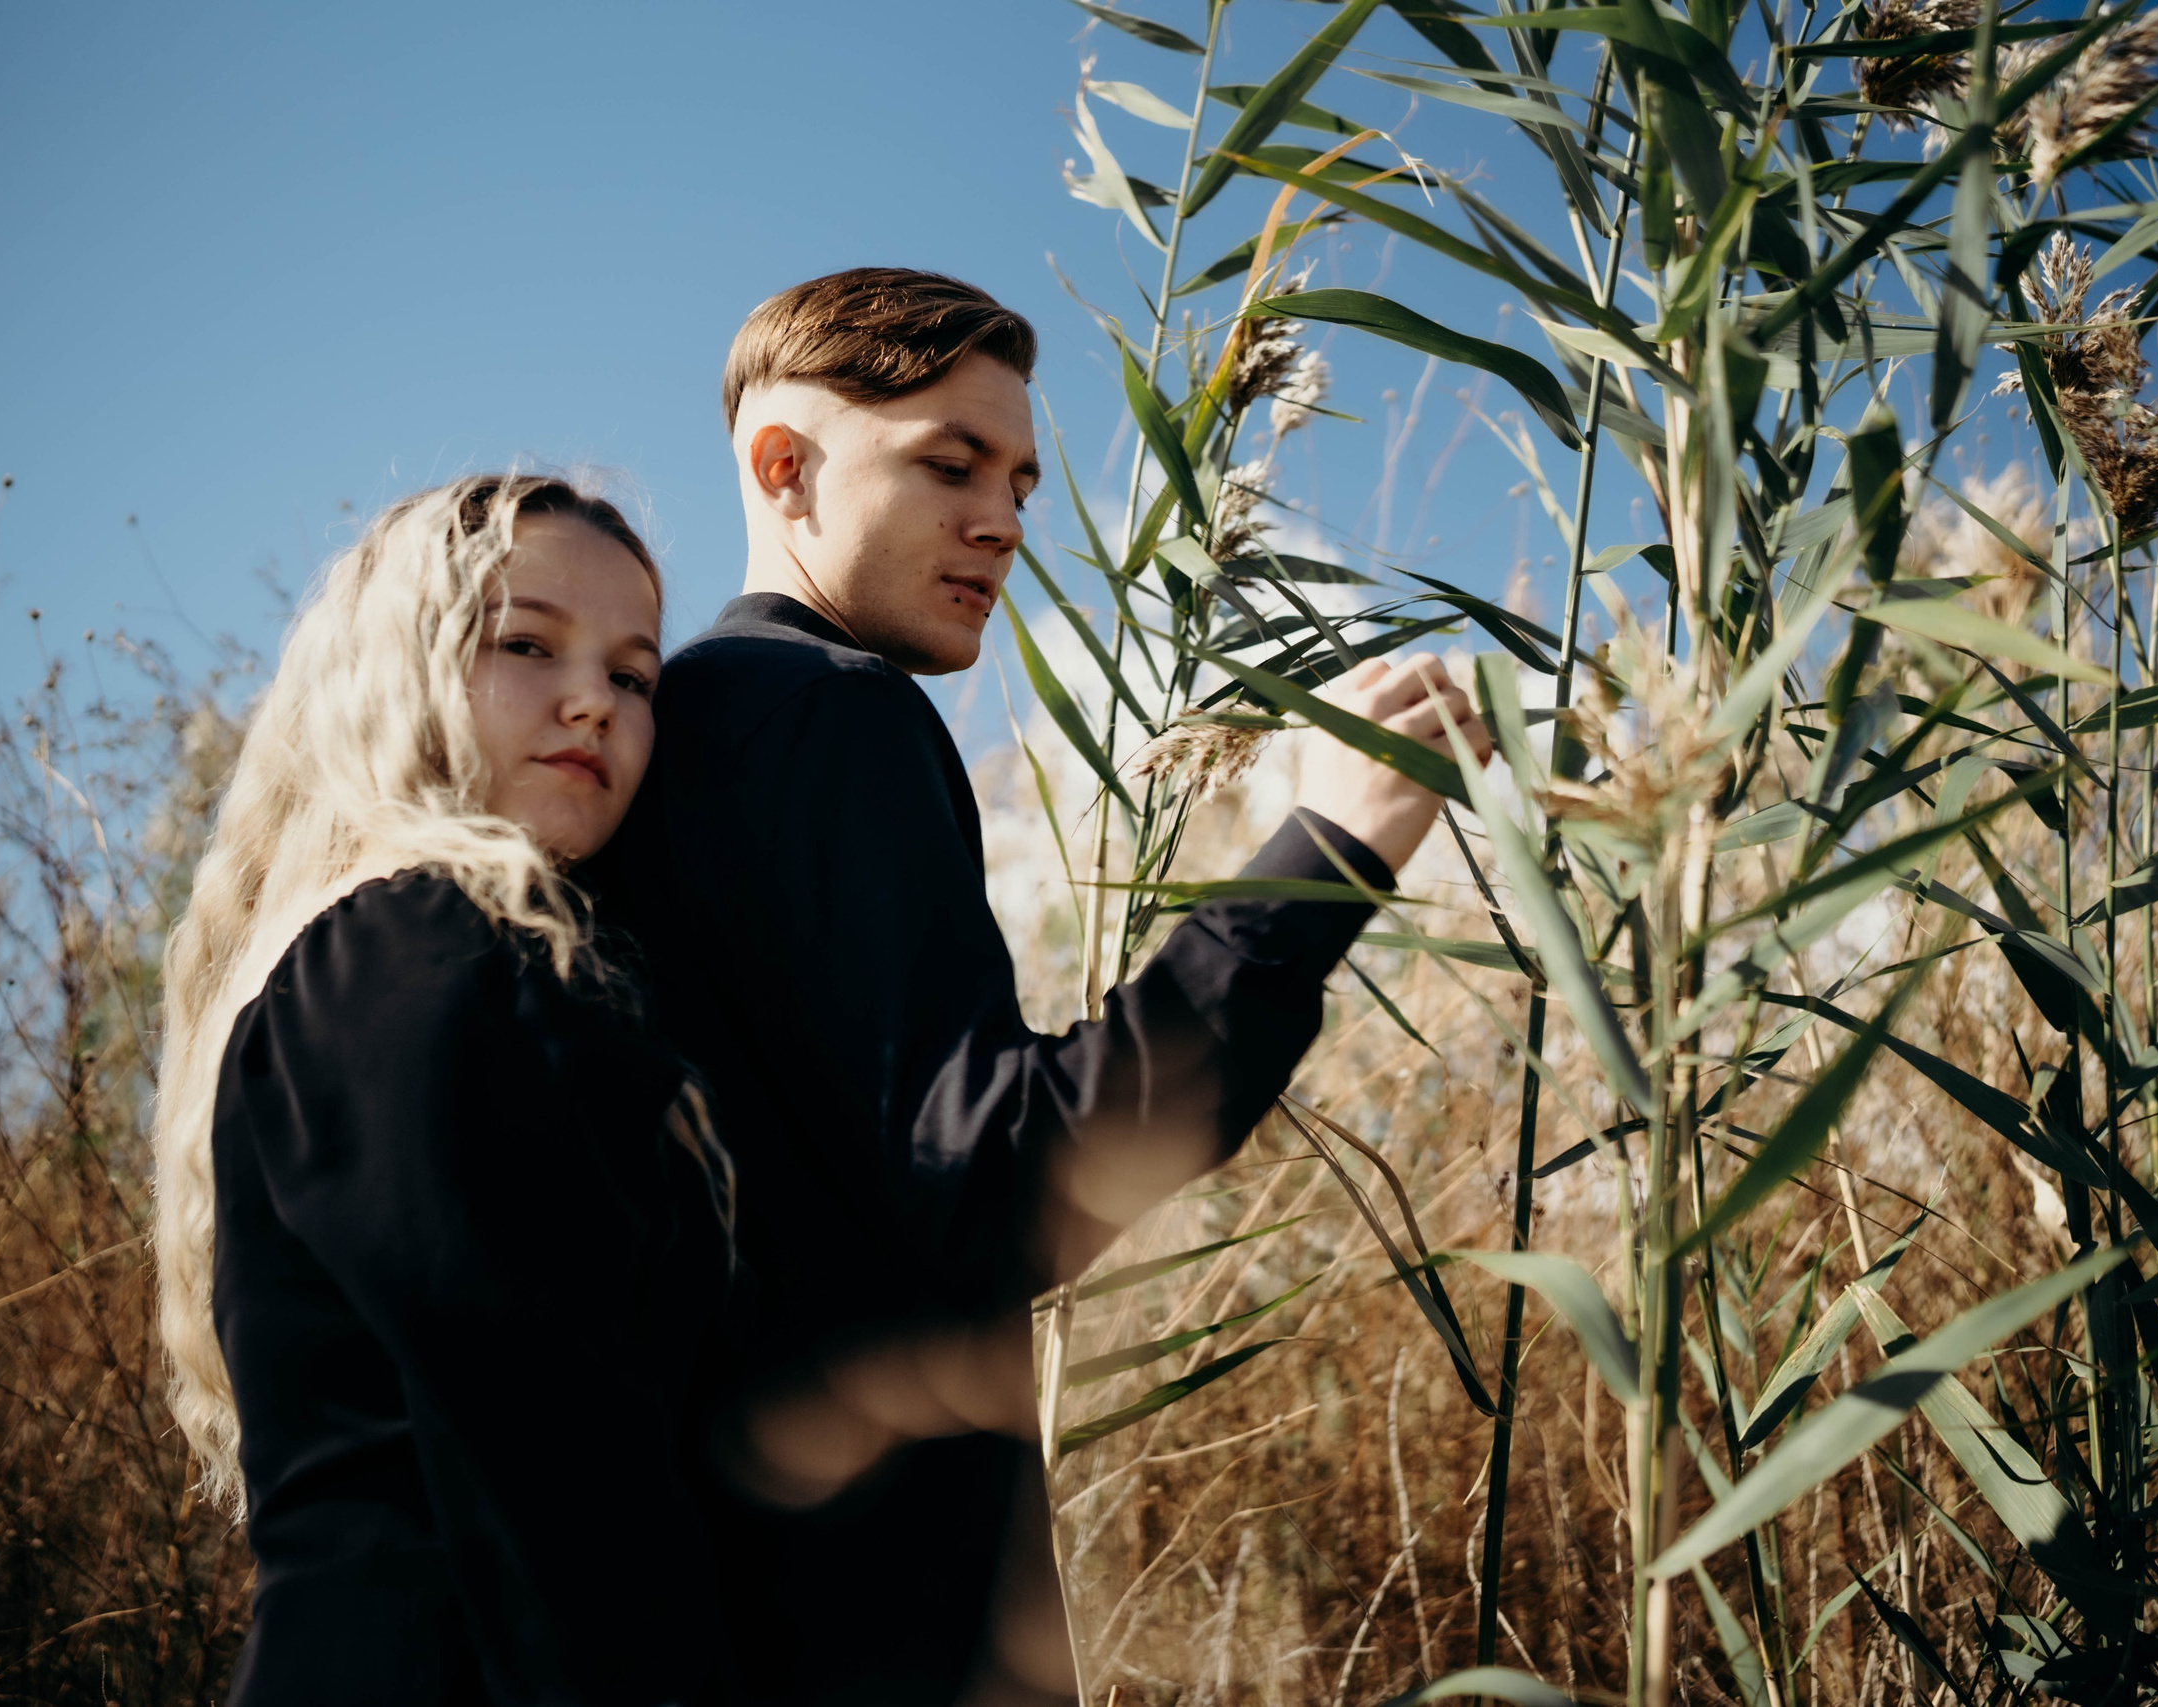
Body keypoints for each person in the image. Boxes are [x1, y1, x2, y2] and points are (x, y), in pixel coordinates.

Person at [593, 268, 1491, 1706]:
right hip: (867, 1617)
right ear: (784, 467)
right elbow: (998, 1178)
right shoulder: (827, 710)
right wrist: (1324, 860)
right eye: (949, 464)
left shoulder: (681, 737)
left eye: (1018, 477)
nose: (1005, 521)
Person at [151, 475, 737, 1705]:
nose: (594, 700)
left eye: (634, 676)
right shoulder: (418, 954)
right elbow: (544, 1465)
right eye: (524, 644)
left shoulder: (382, 957)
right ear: (397, 672)